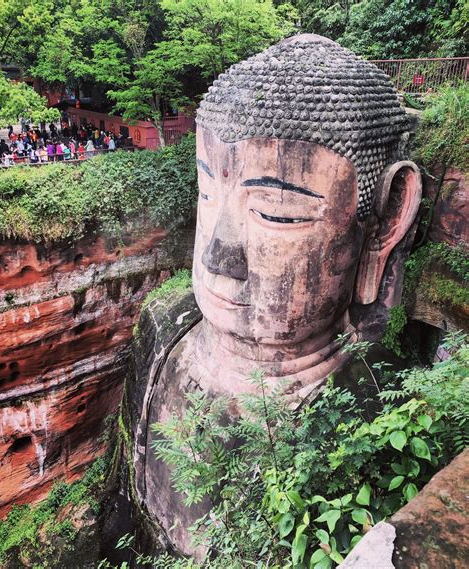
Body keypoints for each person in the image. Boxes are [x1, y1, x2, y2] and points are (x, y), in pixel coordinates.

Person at [130, 34, 422, 556]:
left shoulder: (363, 404)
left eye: (276, 213)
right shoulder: (165, 333)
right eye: (206, 193)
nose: (218, 256)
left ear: (385, 222)